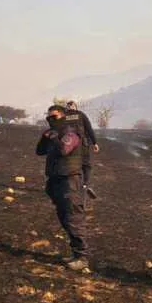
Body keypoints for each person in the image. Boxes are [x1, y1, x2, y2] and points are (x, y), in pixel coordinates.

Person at [37, 105, 90, 271]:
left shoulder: (71, 133)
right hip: (56, 180)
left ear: (64, 117)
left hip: (70, 181)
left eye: (55, 117)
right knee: (63, 216)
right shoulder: (55, 134)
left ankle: (82, 257)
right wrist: (45, 138)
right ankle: (76, 253)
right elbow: (39, 151)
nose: (51, 120)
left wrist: (53, 137)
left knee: (73, 218)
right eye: (49, 117)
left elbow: (64, 150)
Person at [64, 100, 100, 199]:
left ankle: (70, 187)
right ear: (75, 107)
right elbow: (89, 128)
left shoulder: (63, 117)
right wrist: (95, 143)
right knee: (86, 165)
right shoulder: (81, 115)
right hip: (82, 145)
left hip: (69, 145)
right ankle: (85, 185)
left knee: (70, 166)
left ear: (67, 107)